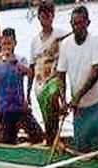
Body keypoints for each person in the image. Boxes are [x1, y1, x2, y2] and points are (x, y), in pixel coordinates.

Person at [57, 5, 98, 152]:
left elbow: (96, 72)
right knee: (81, 149)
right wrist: (64, 100)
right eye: (74, 23)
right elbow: (61, 74)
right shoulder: (66, 45)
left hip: (97, 106)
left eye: (80, 23)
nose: (76, 27)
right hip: (79, 110)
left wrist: (78, 96)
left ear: (87, 23)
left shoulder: (96, 42)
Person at [0, 28, 43, 145]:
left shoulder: (20, 59)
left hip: (20, 108)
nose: (7, 47)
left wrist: (14, 62)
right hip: (5, 110)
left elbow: (30, 73)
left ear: (15, 43)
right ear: (1, 44)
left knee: (39, 136)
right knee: (8, 141)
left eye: (9, 43)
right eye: (4, 44)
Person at [28, 1, 67, 145]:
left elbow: (74, 32)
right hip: (39, 85)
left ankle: (55, 138)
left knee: (52, 100)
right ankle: (51, 140)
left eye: (49, 16)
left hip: (53, 80)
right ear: (38, 17)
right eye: (43, 17)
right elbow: (31, 68)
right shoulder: (34, 42)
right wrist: (27, 96)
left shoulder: (59, 34)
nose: (46, 20)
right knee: (48, 118)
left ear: (53, 16)